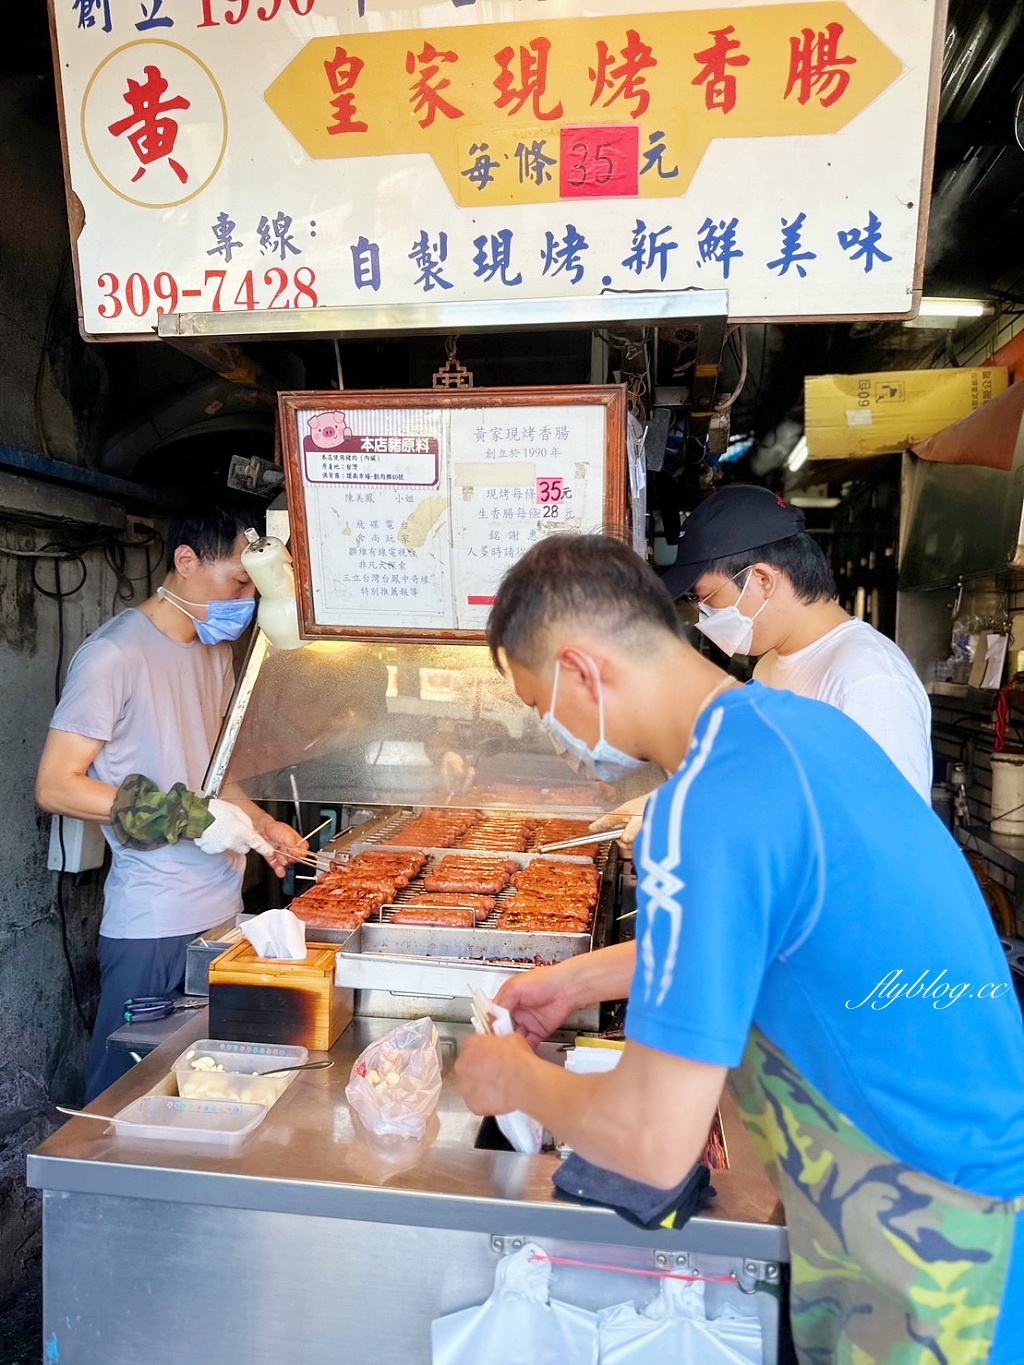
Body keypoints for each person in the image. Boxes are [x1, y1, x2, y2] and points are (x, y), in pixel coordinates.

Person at [456, 533, 1024, 1365]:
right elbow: (781, 935)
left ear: (583, 670)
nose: (556, 736)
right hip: (961, 1195)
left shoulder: (703, 803)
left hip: (929, 1250)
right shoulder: (786, 729)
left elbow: (653, 1142)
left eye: (542, 705)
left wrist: (511, 1076)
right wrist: (581, 977)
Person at [36, 504, 306, 1101]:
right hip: (153, 923)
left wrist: (261, 825)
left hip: (220, 914)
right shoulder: (113, 656)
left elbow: (213, 773)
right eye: (239, 581)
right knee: (125, 1093)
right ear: (186, 561)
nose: (246, 599)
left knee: (201, 1089)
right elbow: (57, 785)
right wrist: (188, 817)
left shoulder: (215, 652)